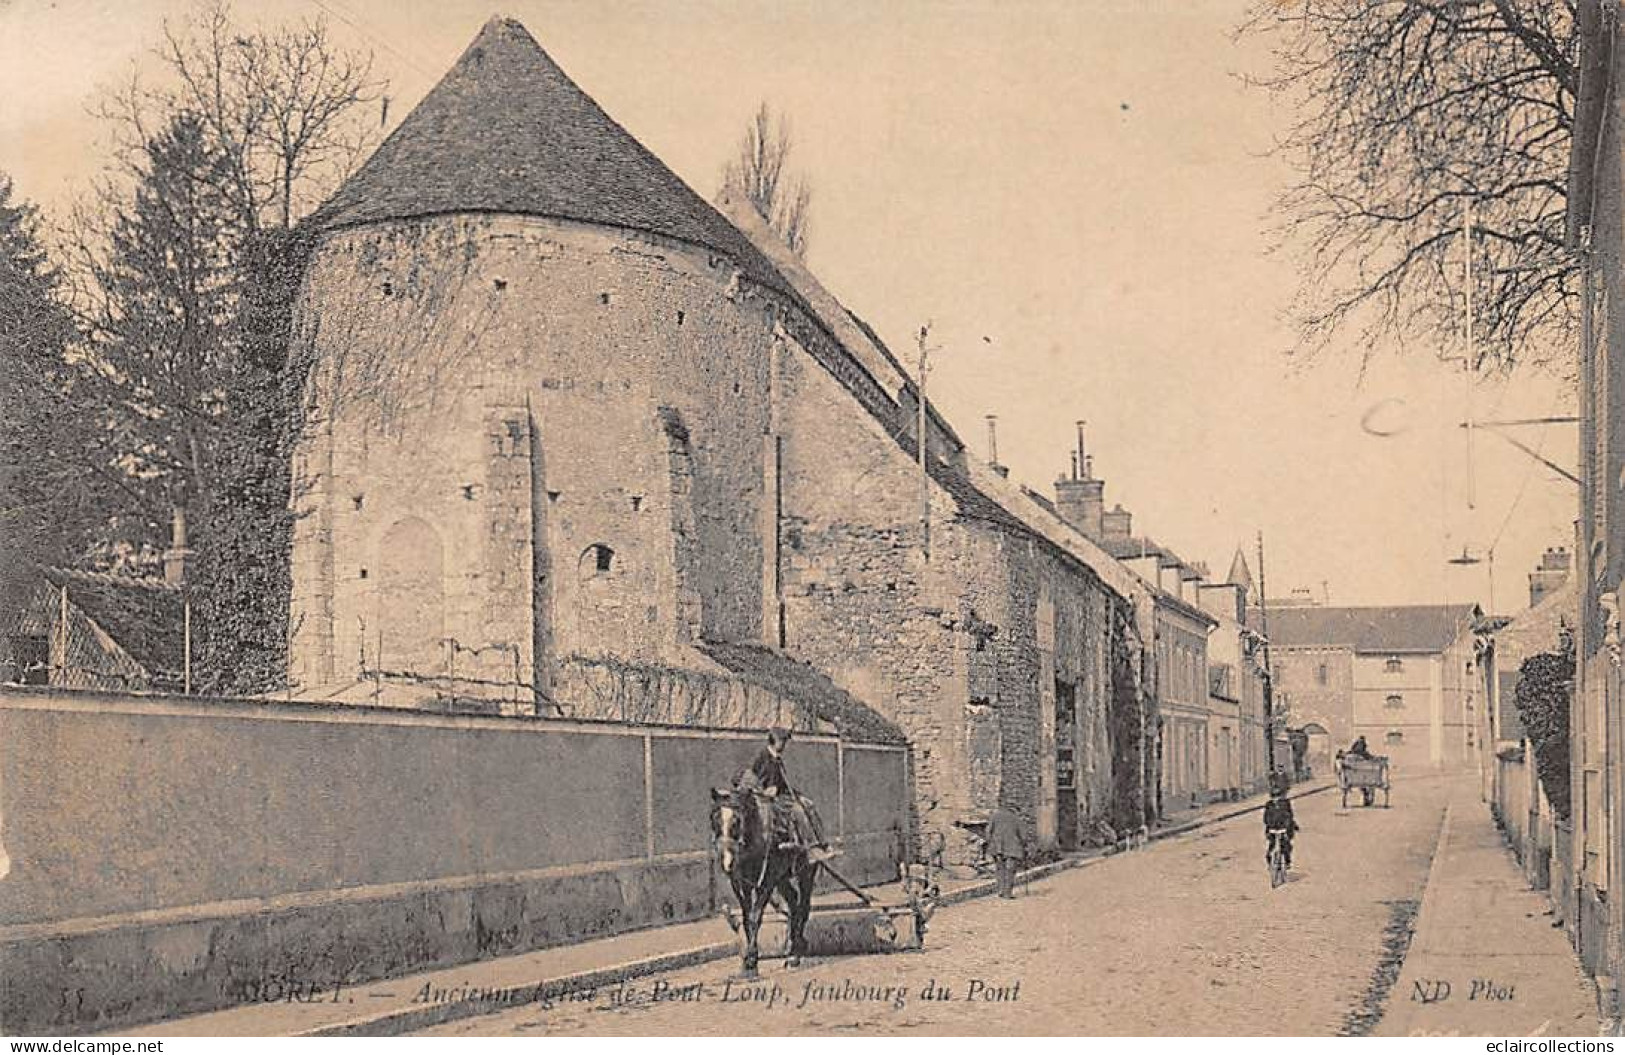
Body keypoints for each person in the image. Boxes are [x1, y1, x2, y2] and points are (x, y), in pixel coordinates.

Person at [747, 727, 834, 863]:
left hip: (782, 795)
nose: (784, 745)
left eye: (785, 742)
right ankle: (810, 847)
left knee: (808, 804)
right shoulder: (762, 757)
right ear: (774, 740)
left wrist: (798, 795)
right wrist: (764, 790)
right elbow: (751, 779)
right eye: (782, 741)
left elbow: (782, 783)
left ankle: (821, 844)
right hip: (770, 800)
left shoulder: (777, 758)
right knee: (798, 810)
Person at [985, 805, 1027, 899]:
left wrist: (991, 843)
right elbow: (1023, 836)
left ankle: (1000, 890)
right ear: (1015, 810)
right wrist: (1024, 846)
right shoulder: (1016, 818)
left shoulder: (994, 816)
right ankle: (1007, 893)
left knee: (1000, 869)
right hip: (1012, 848)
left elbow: (988, 831)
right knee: (1010, 870)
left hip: (997, 848)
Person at [1263, 774, 1300, 871]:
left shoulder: (1285, 803)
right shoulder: (1269, 805)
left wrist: (1289, 826)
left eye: (1277, 796)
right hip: (1272, 829)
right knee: (1270, 848)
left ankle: (1287, 862)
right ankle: (1270, 863)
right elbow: (1266, 817)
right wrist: (1268, 827)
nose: (1275, 799)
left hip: (1284, 828)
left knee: (1286, 846)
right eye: (1273, 797)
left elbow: (1289, 815)